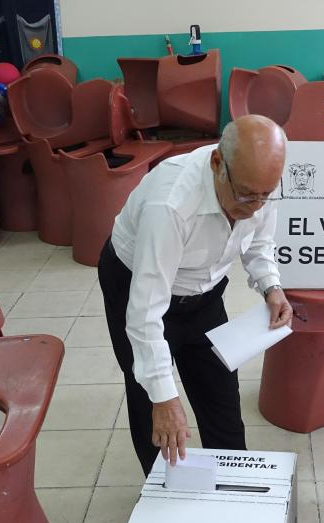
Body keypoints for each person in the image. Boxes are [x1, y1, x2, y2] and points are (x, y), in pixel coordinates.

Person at [98, 115, 292, 475]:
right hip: (136, 283)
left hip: (203, 292)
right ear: (218, 163)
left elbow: (259, 241)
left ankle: (233, 488)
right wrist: (164, 397)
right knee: (152, 400)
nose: (256, 206)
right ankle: (162, 491)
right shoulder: (171, 204)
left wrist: (271, 285)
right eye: (246, 194)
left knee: (221, 396)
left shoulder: (259, 185)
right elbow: (144, 314)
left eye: (266, 195)